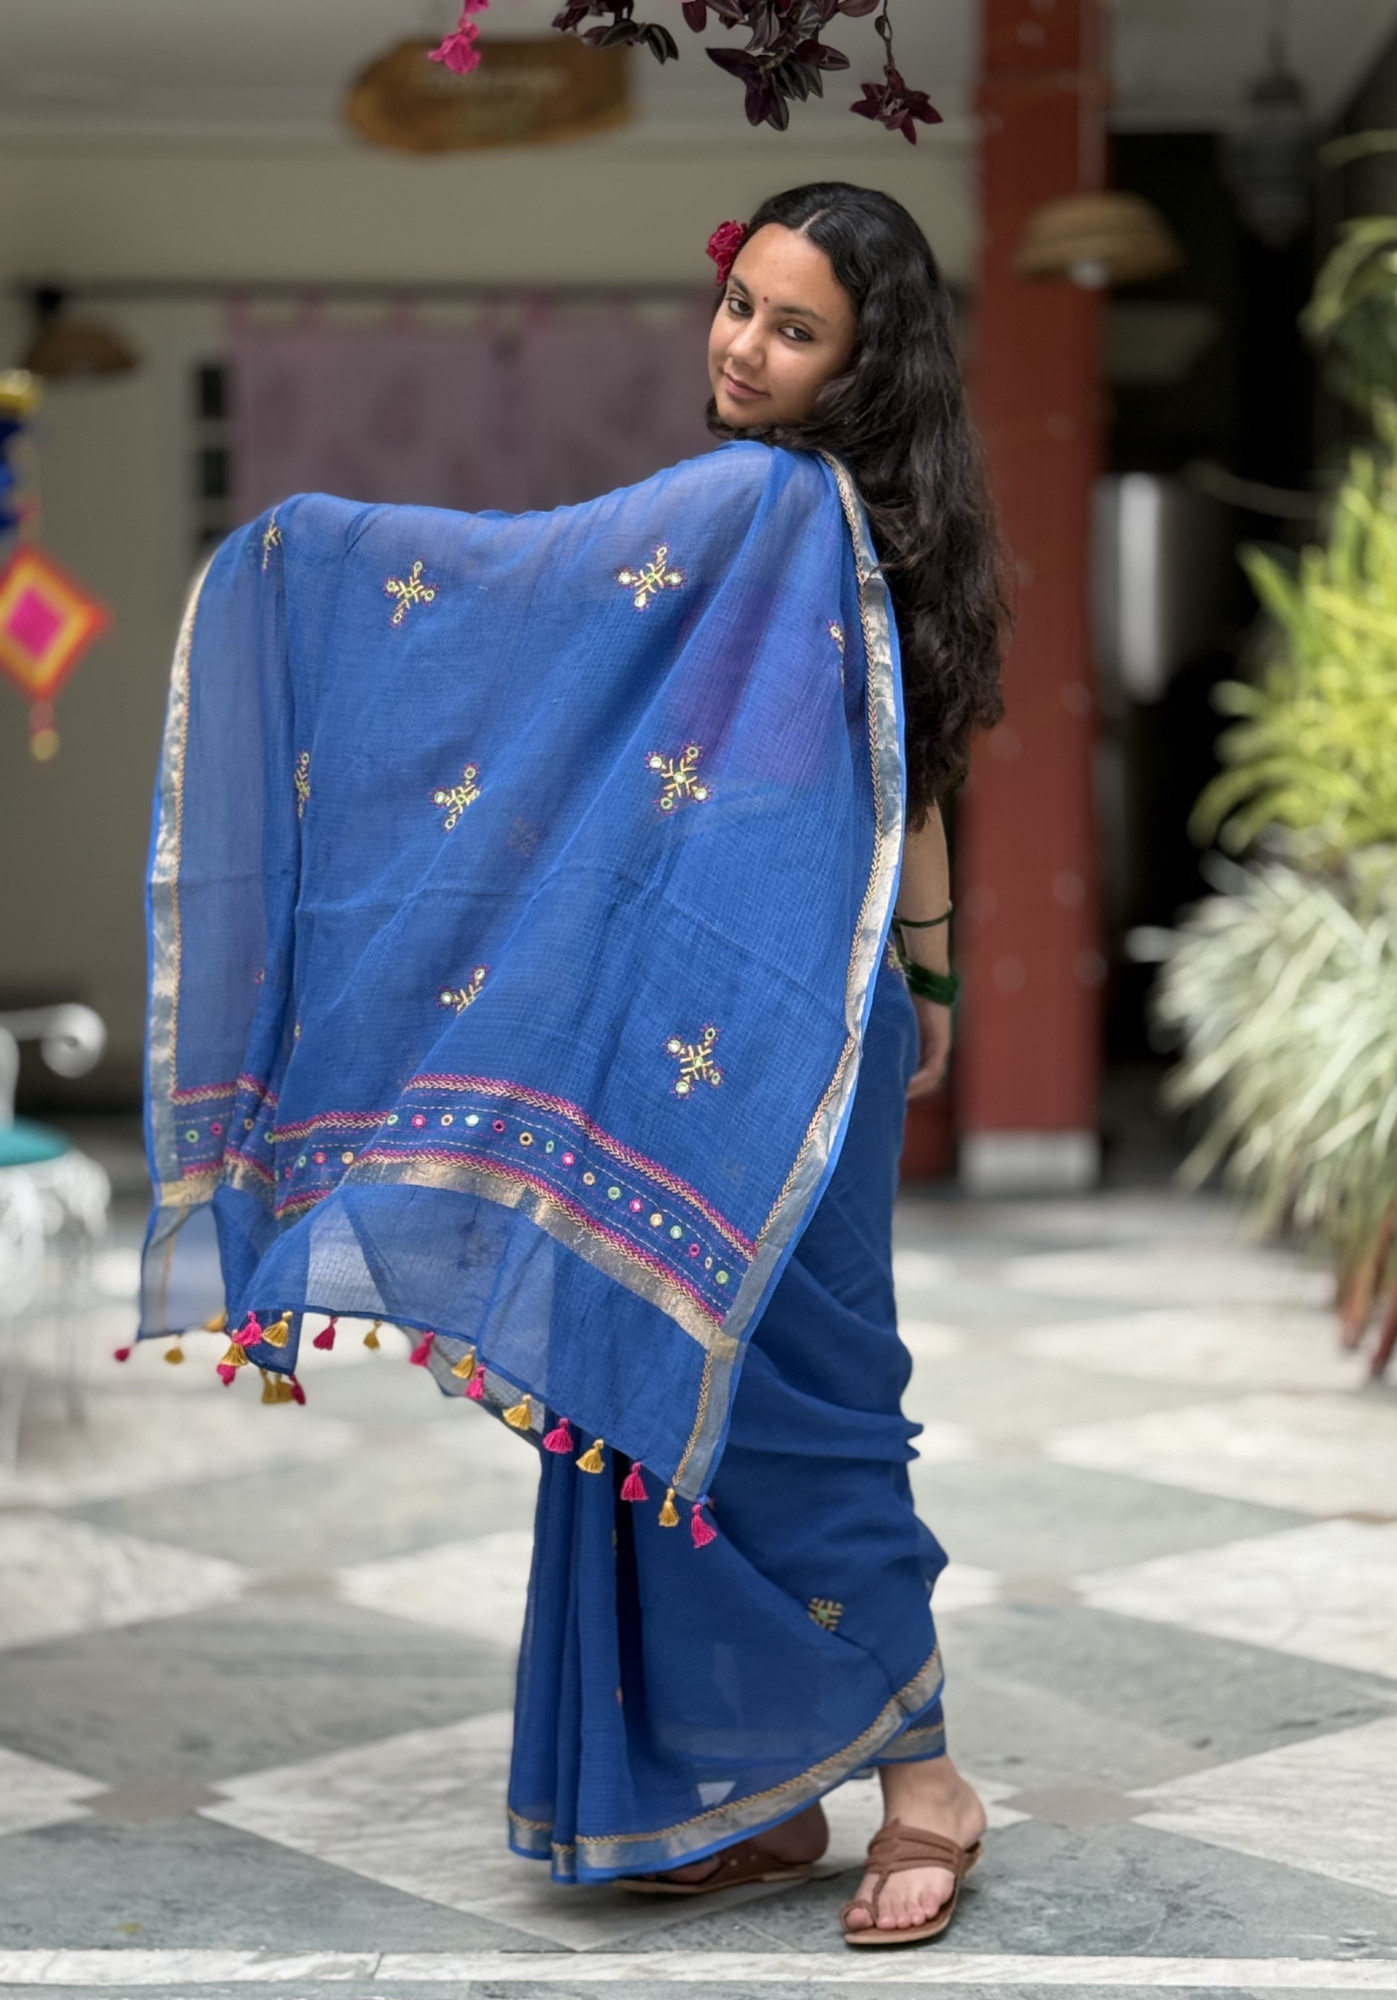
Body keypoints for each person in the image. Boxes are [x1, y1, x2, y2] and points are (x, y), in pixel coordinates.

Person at [139, 182, 1009, 1949]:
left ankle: (929, 1784)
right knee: (674, 1385)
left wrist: (309, 558)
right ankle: (765, 1788)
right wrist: (927, 979)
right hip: (733, 1018)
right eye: (743, 305)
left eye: (796, 330)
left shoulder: (775, 505)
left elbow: (518, 586)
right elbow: (898, 778)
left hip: (768, 1026)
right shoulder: (821, 519)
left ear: (866, 365)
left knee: (802, 1400)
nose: (745, 349)